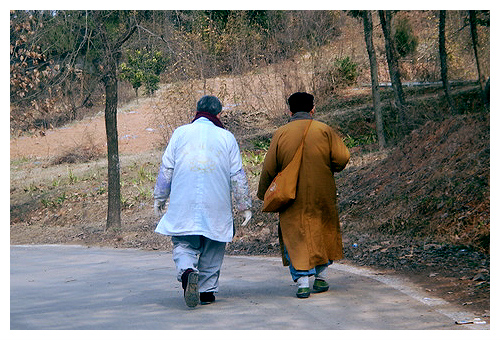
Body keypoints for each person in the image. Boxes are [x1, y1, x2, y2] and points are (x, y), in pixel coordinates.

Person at [153, 95, 252, 308]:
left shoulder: (180, 133)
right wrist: (244, 206)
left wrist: (159, 197)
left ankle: (188, 272)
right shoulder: (227, 137)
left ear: (197, 111)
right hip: (216, 202)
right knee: (214, 244)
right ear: (218, 114)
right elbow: (237, 175)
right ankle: (207, 291)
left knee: (184, 243)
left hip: (184, 201)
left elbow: (167, 169)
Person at [257, 92, 350, 298]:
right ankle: (322, 277)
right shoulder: (325, 130)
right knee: (322, 229)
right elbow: (342, 158)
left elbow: (269, 168)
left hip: (291, 193)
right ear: (313, 109)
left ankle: (302, 282)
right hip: (322, 190)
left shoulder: (281, 133)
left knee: (295, 233)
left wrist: (263, 193)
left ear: (289, 111)